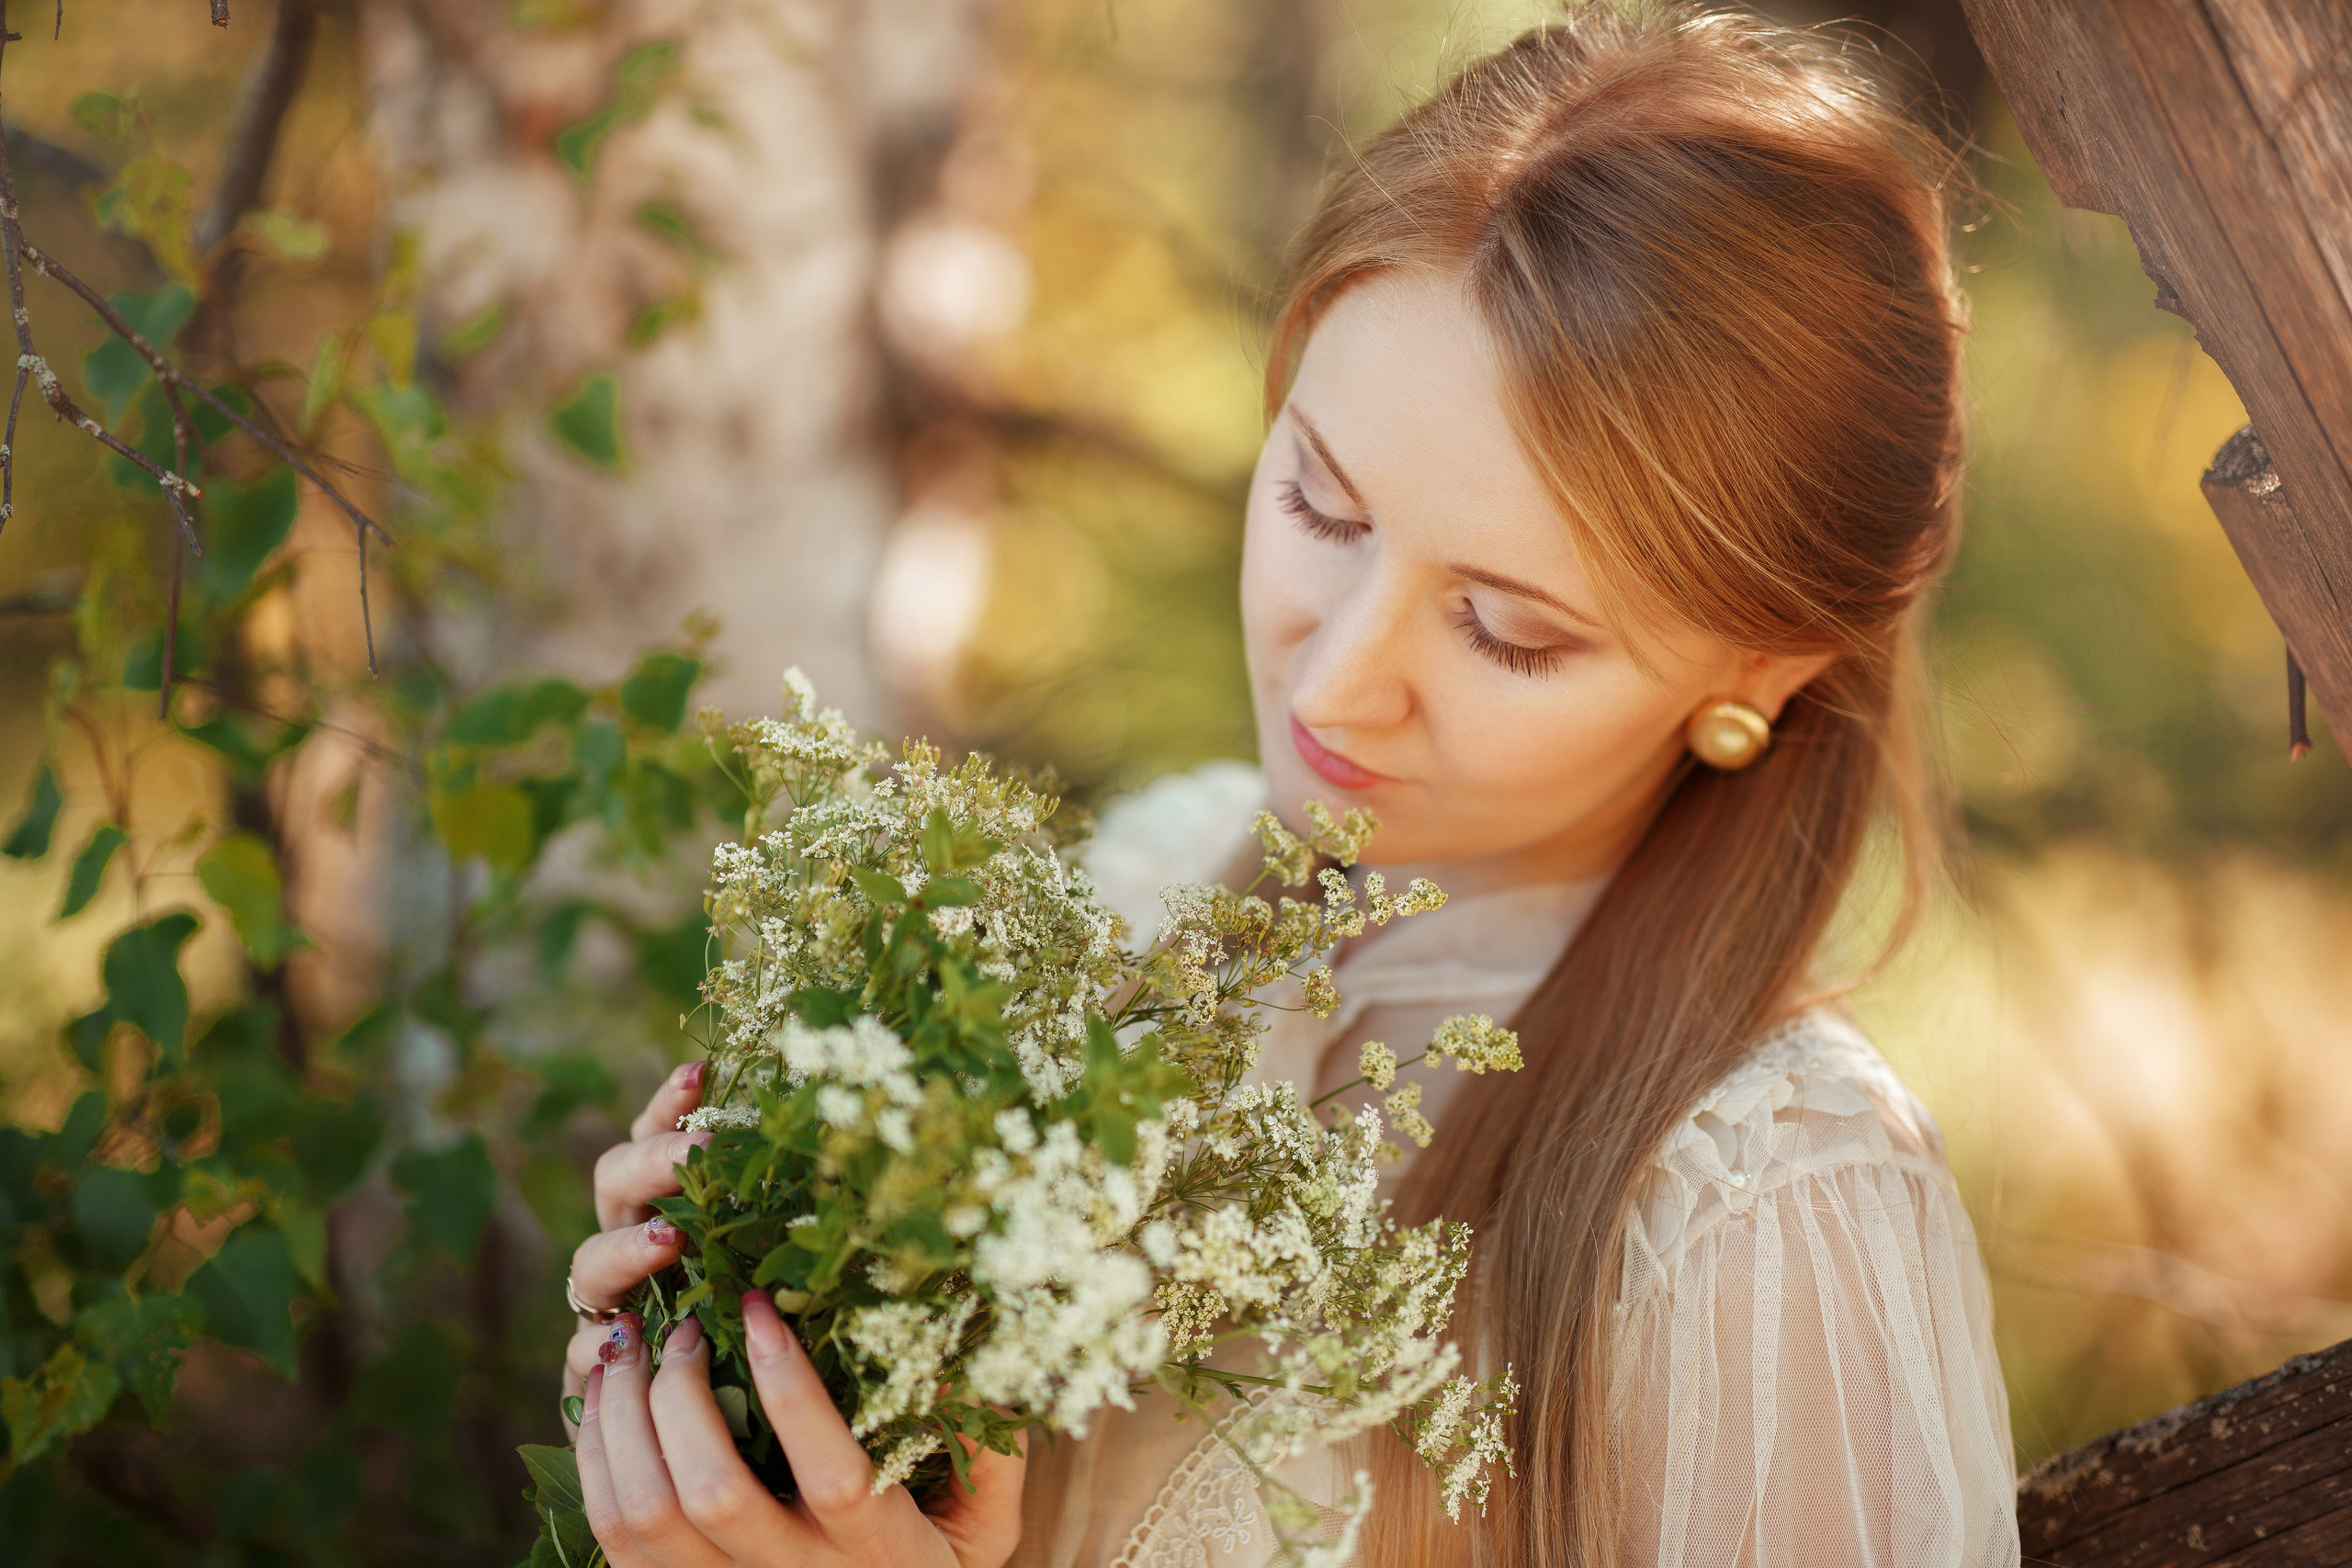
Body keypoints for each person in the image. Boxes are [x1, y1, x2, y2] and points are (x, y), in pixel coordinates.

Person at [558, 4, 2021, 1564]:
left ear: (1761, 674)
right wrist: (747, 1369)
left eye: (1505, 630)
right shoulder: (1143, 893)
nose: (1332, 685)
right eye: (1322, 503)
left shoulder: (1761, 1219)